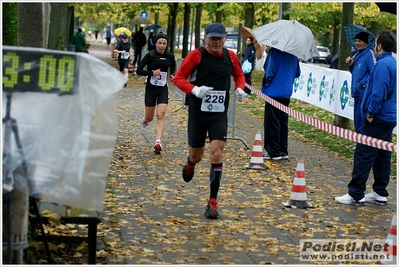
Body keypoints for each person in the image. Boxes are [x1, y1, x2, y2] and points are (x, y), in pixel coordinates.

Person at [172, 22, 246, 219]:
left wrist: (239, 88)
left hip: (219, 113)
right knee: (197, 155)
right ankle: (190, 163)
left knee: (217, 152)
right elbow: (178, 78)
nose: (216, 42)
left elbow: (239, 75)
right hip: (198, 112)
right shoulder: (197, 55)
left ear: (224, 39)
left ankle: (212, 202)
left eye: (219, 38)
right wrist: (194, 90)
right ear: (206, 38)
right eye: (212, 38)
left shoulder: (229, 56)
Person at [335, 32, 396, 205]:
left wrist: (371, 113)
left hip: (378, 117)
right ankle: (379, 192)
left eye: (375, 43)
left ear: (379, 46)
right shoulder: (390, 62)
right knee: (382, 154)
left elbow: (379, 91)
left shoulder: (383, 64)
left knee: (363, 153)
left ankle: (355, 193)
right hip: (388, 116)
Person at [136, 33, 176, 153]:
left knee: (160, 115)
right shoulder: (150, 55)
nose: (162, 46)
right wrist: (152, 74)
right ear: (156, 43)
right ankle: (146, 120)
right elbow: (139, 70)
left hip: (163, 88)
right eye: (160, 43)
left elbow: (172, 65)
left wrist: (173, 74)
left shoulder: (170, 56)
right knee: (150, 117)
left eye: (164, 43)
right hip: (151, 89)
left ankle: (158, 141)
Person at [262, 47, 301, 160]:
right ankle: (283, 150)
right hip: (286, 92)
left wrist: (265, 82)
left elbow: (269, 72)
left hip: (273, 92)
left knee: (272, 121)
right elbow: (297, 73)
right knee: (283, 121)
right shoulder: (294, 53)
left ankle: (274, 151)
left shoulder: (274, 52)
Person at [345, 31, 376, 139]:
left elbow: (374, 73)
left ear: (366, 42)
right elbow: (356, 72)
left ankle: (363, 144)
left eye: (360, 41)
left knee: (363, 120)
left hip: (364, 93)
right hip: (357, 93)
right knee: (357, 120)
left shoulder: (369, 54)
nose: (357, 43)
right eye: (356, 41)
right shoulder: (357, 54)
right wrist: (350, 65)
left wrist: (363, 84)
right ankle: (359, 143)